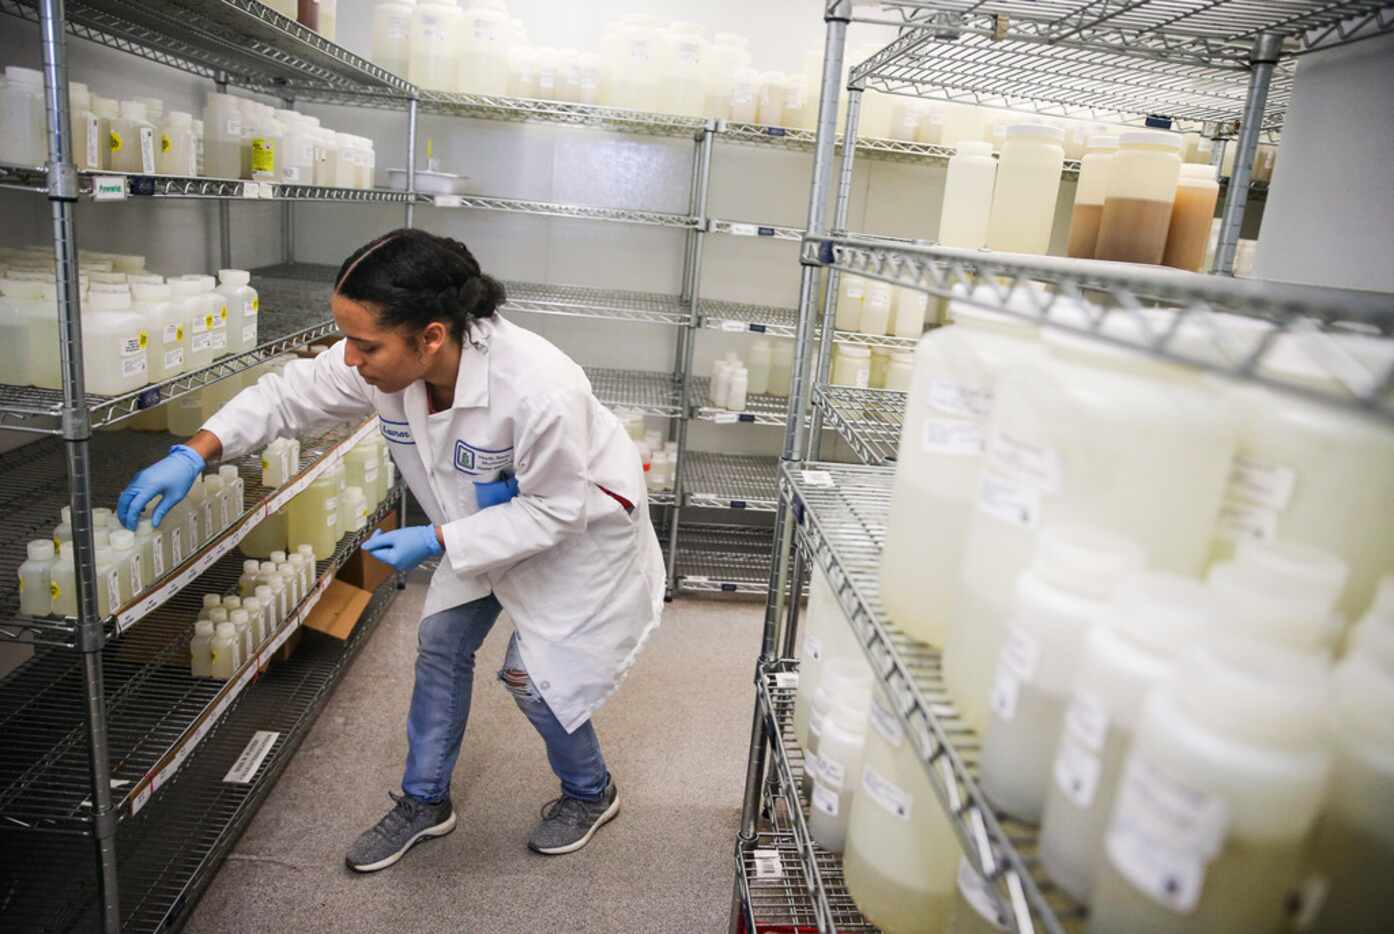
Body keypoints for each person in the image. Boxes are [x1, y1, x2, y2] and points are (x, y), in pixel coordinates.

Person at [116, 229, 665, 872]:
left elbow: (554, 510)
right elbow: (288, 395)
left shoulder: (541, 387)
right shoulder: (388, 366)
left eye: (365, 344)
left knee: (535, 681)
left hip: (579, 534)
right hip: (478, 524)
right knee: (440, 646)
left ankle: (590, 790)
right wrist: (195, 451)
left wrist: (436, 539)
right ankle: (425, 802)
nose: (350, 358)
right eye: (347, 338)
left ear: (431, 335)